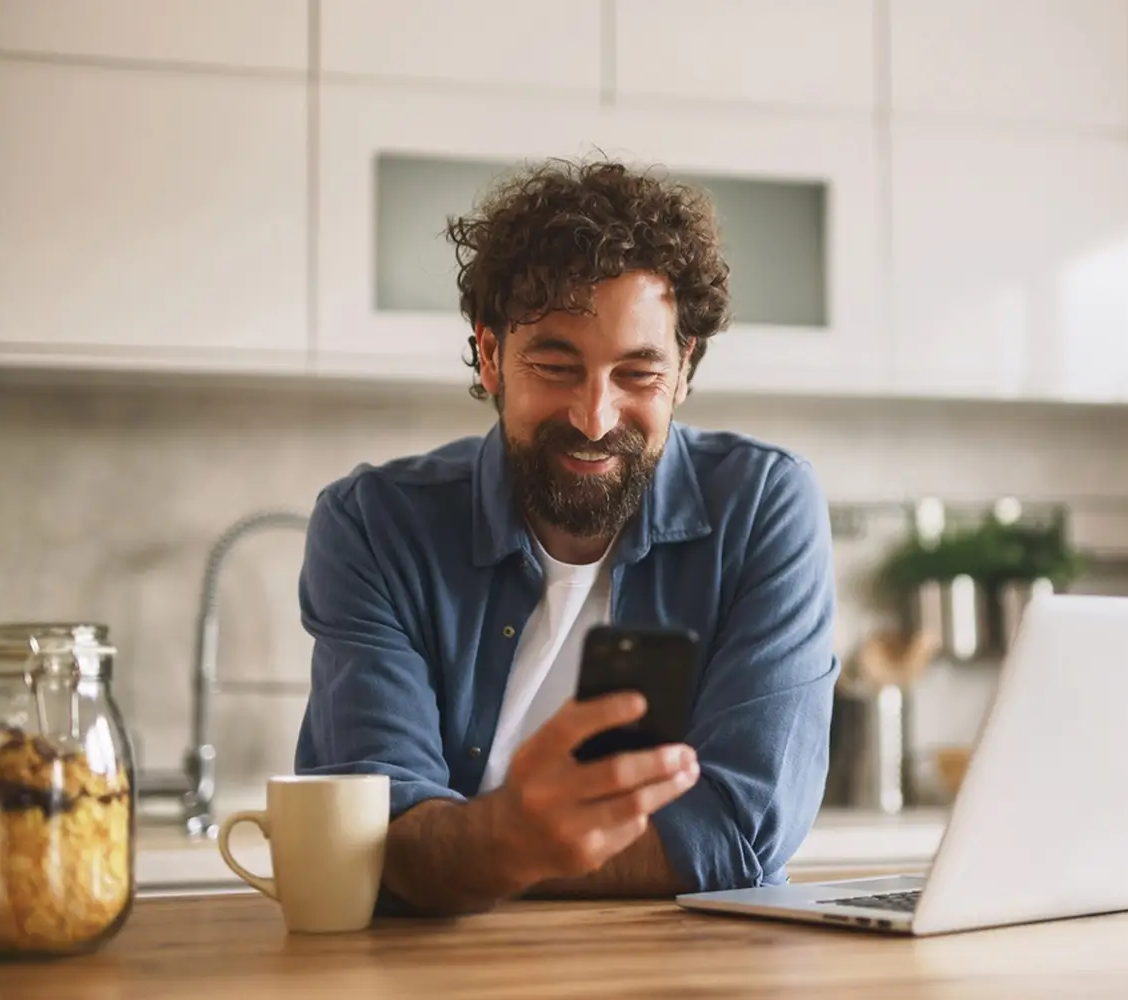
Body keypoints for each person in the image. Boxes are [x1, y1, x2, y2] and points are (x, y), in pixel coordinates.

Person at [293, 157, 839, 916]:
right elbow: (371, 824)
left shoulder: (763, 505)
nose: (594, 416)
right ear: (491, 356)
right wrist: (495, 838)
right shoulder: (375, 525)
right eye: (556, 364)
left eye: (637, 375)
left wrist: (488, 847)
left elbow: (741, 834)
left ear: (685, 368)